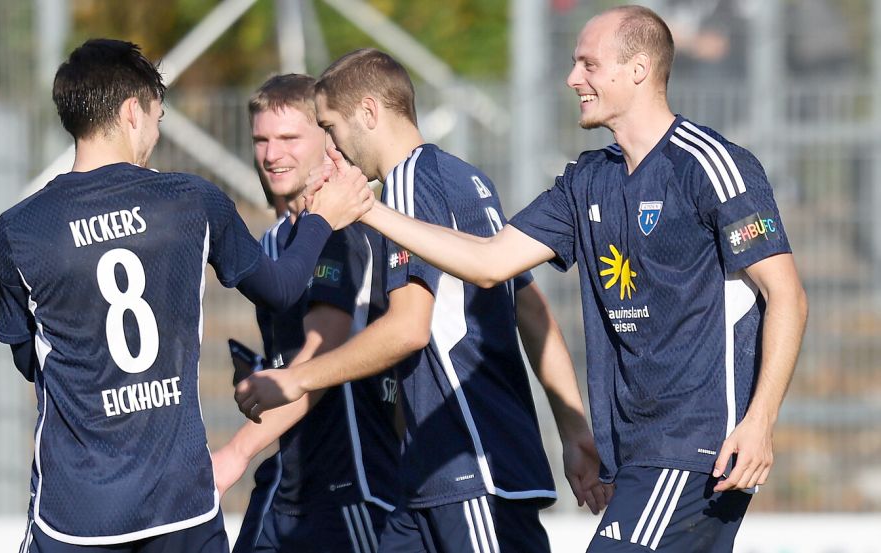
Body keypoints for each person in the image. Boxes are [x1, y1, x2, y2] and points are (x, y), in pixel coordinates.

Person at [351, 6, 808, 552]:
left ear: (638, 69)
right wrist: (368, 211)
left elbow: (787, 296)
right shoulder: (587, 180)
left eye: (588, 64)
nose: (573, 79)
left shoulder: (708, 164)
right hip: (637, 453)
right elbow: (491, 261)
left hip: (697, 446)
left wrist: (759, 422)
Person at [0, 39, 371, 552]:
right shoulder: (190, 201)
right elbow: (283, 289)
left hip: (77, 511)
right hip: (182, 504)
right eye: (157, 116)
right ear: (132, 113)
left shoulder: (21, 228)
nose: (155, 131)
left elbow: (31, 357)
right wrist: (324, 218)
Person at [234, 48, 606, 553]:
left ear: (368, 113)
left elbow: (409, 328)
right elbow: (532, 311)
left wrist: (294, 379)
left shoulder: (407, 182)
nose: (333, 148)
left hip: (469, 463)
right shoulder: (465, 178)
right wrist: (573, 430)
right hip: (436, 475)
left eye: (332, 127)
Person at [216, 74, 401, 553]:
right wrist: (261, 374)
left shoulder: (346, 231)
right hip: (289, 482)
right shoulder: (276, 241)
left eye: (289, 138)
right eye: (261, 139)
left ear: (327, 136)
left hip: (349, 488)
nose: (272, 154)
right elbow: (293, 360)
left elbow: (322, 357)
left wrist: (234, 454)